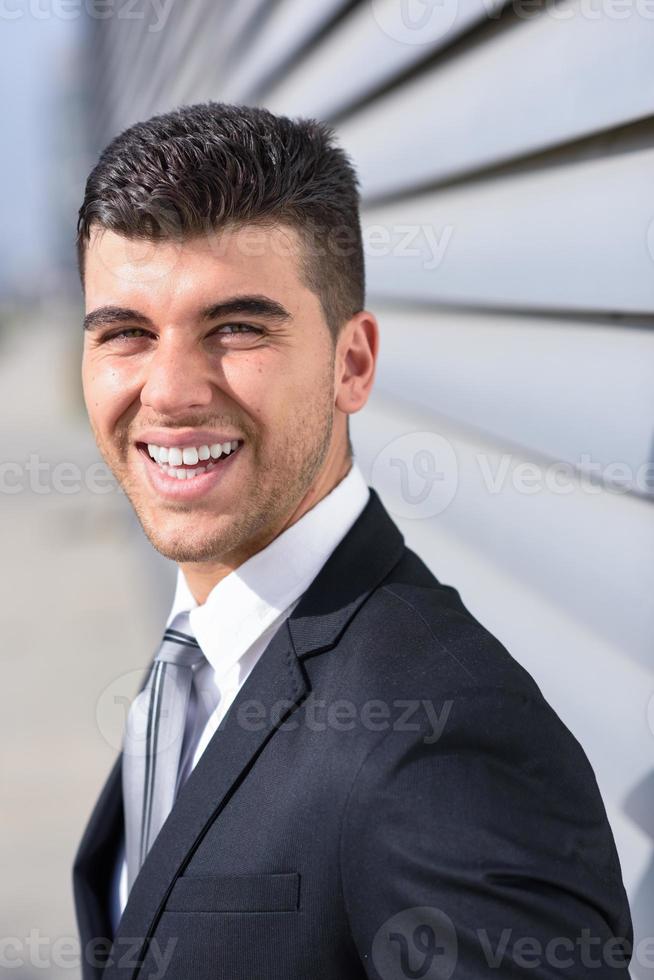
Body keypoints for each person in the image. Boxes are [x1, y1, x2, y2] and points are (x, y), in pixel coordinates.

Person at [72, 101, 633, 980]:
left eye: (238, 328)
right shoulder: (205, 647)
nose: (171, 391)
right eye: (127, 333)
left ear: (353, 364)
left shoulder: (445, 739)